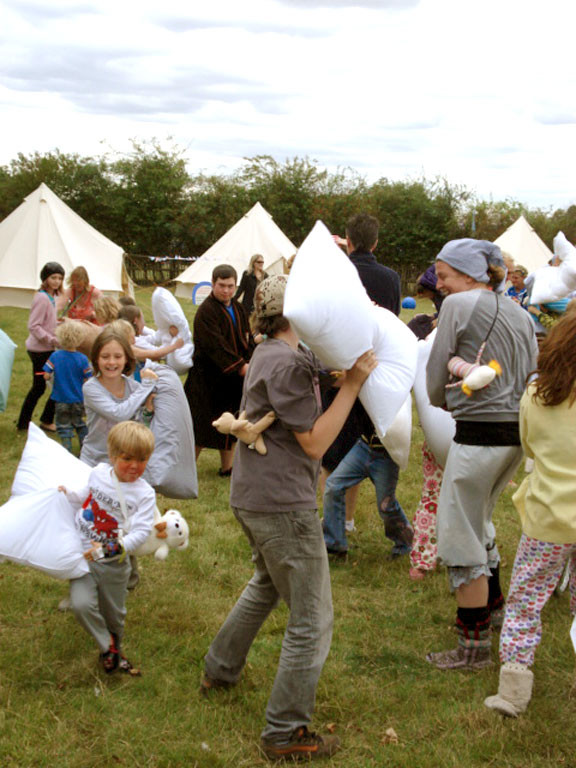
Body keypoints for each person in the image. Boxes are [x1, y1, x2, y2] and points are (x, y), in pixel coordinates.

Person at [201, 275, 377, 761]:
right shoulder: (287, 364)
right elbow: (317, 443)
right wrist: (354, 387)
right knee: (312, 619)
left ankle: (220, 667)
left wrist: (332, 375)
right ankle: (284, 731)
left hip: (255, 496)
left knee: (267, 584)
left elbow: (298, 378)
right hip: (281, 505)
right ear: (298, 314)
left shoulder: (270, 352)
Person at [425, 238, 538, 671]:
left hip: (478, 436)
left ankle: (473, 647)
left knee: (459, 534)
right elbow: (530, 372)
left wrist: (437, 399)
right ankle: (494, 612)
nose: (440, 284)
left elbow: (437, 369)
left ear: (471, 274)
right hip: (514, 435)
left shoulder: (460, 305)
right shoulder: (521, 313)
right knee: (481, 521)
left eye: (445, 275)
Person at [483, 312, 576, 716]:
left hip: (548, 515)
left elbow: (530, 448)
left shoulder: (536, 394)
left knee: (525, 601)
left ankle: (514, 691)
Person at [322, 213, 412, 559]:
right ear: (375, 243)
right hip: (379, 372)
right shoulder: (389, 279)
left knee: (382, 499)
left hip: (353, 374)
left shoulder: (339, 275)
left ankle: (399, 540)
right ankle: (336, 538)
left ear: (348, 238)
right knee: (338, 479)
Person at [59, 421, 156, 673]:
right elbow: (84, 495)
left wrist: (108, 549)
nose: (135, 466)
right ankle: (107, 645)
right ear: (112, 455)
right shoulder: (99, 473)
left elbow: (140, 533)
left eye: (142, 459)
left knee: (114, 614)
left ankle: (115, 647)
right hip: (84, 557)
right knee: (81, 604)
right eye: (127, 458)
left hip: (113, 563)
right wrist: (67, 494)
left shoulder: (144, 494)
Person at [184, 265, 255, 476]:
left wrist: (252, 359)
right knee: (201, 425)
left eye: (230, 286)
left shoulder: (239, 308)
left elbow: (246, 337)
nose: (226, 291)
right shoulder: (206, 312)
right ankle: (187, 470)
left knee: (230, 423)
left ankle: (227, 467)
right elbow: (215, 346)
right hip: (207, 379)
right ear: (213, 283)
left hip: (231, 381)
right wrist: (241, 367)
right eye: (221, 286)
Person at [80, 330, 157, 468]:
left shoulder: (134, 388)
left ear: (126, 358)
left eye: (118, 356)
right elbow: (119, 414)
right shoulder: (91, 388)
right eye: (105, 356)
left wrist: (147, 412)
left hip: (124, 463)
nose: (111, 362)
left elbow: (139, 426)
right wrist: (147, 386)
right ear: (96, 359)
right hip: (93, 462)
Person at [17, 261, 65, 433]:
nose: (57, 281)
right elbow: (34, 326)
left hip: (47, 349)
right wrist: (52, 339)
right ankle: (25, 423)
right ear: (45, 278)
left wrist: (57, 322)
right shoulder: (41, 297)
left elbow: (45, 321)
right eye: (53, 277)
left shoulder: (51, 297)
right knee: (40, 387)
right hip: (39, 350)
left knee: (56, 383)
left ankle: (44, 419)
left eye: (60, 278)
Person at [43, 321, 92, 452]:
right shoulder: (82, 359)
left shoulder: (55, 356)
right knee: (80, 423)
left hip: (60, 398)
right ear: (80, 338)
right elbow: (88, 378)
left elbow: (46, 375)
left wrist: (48, 376)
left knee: (63, 426)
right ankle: (84, 448)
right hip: (78, 398)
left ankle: (67, 450)